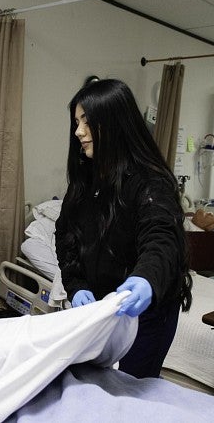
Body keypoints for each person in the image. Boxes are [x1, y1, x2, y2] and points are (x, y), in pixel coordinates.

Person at [55, 78, 192, 379]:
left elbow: (161, 237)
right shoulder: (84, 183)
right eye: (76, 122)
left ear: (114, 123)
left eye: (87, 122)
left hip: (145, 317)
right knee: (94, 389)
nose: (78, 132)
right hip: (99, 313)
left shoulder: (149, 182)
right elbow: (66, 238)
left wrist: (145, 278)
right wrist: (77, 286)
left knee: (130, 396)